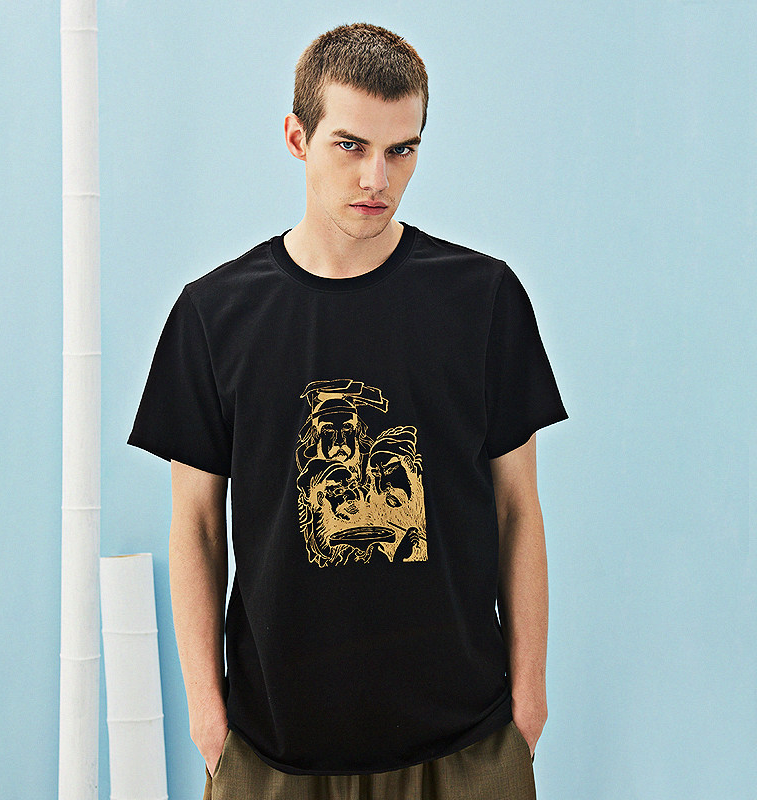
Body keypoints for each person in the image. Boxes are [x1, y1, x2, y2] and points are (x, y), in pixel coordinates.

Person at [128, 22, 568, 800]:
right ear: (297, 138)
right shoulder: (213, 316)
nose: (377, 177)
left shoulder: (484, 299)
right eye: (351, 145)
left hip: (467, 741)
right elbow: (195, 524)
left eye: (402, 150)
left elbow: (517, 509)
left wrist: (527, 700)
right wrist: (207, 715)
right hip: (272, 749)